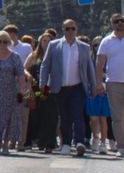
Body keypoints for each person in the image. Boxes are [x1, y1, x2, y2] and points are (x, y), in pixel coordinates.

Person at [40, 19, 96, 157]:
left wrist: (93, 86)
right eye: (67, 29)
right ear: (62, 30)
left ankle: (79, 143)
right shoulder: (54, 45)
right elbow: (45, 65)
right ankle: (65, 143)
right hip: (60, 87)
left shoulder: (83, 47)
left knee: (78, 116)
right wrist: (43, 83)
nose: (70, 31)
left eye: (73, 29)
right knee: (65, 117)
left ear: (76, 30)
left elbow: (90, 69)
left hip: (78, 87)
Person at [96, 14, 124, 157]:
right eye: (116, 21)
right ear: (112, 24)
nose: (120, 23)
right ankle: (121, 147)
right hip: (113, 83)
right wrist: (98, 83)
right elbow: (100, 63)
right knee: (117, 117)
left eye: (122, 21)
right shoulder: (106, 41)